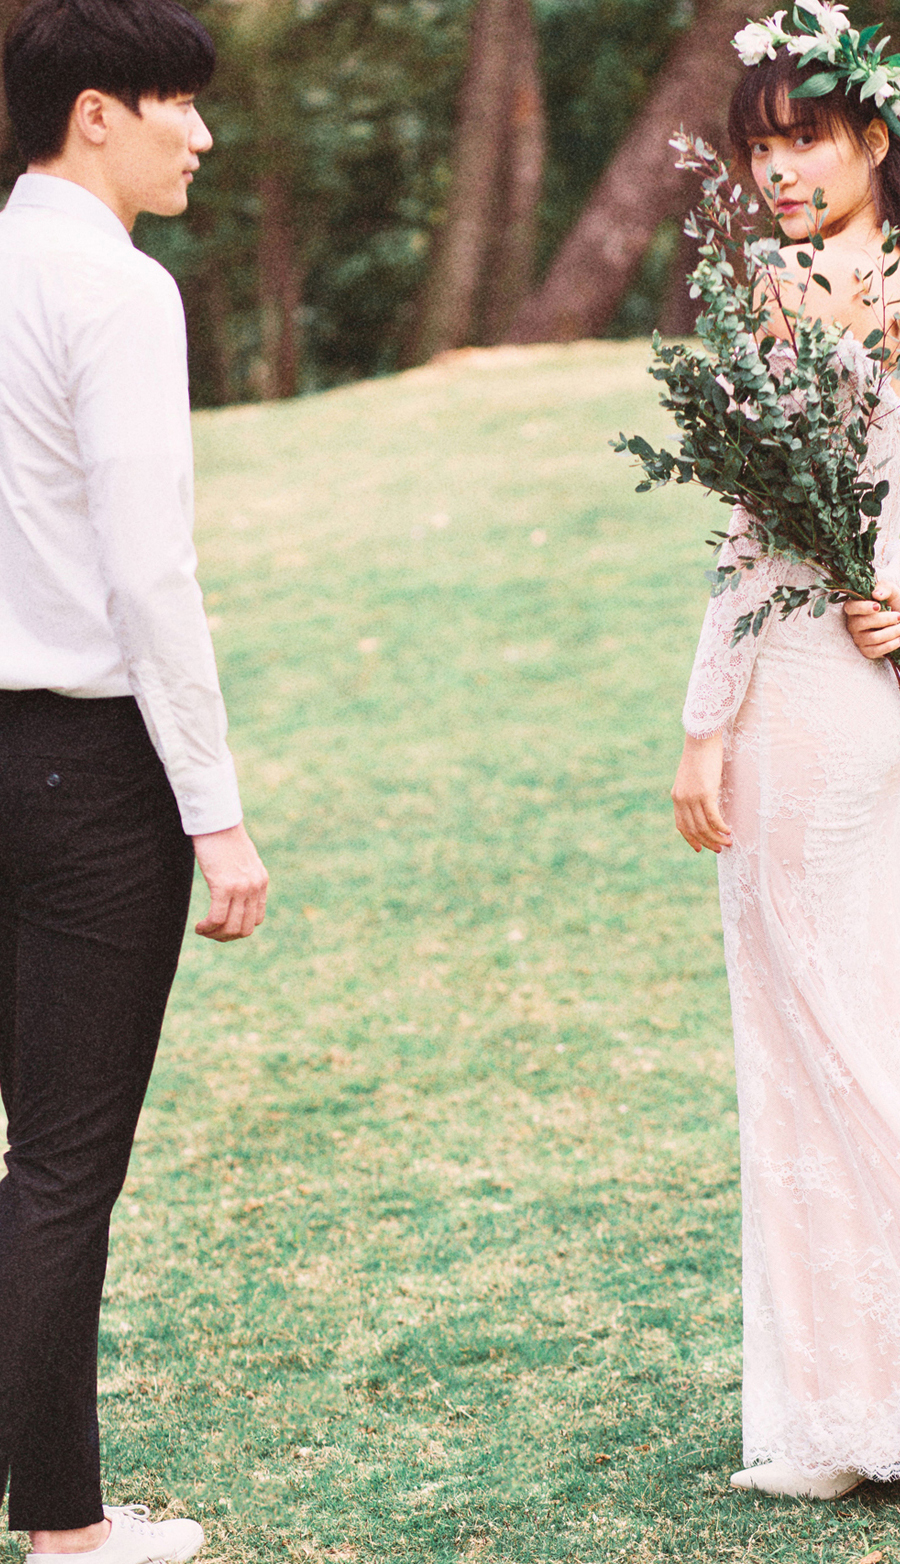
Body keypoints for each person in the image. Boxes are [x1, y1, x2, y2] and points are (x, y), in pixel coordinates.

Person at [671, 4, 900, 1501]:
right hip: (858, 696)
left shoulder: (804, 292)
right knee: (848, 1026)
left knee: (827, 1040)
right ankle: (854, 1407)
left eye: (803, 139)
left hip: (813, 701)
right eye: (760, 147)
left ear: (871, 136)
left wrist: (702, 728)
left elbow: (755, 543)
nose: (777, 170)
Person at [0, 0, 268, 1558]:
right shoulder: (114, 289)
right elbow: (150, 572)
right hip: (84, 775)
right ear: (95, 111)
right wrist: (213, 810)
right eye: (180, 105)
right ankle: (64, 1534)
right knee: (59, 1171)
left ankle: (68, 1523)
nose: (203, 136)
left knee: (34, 1170)